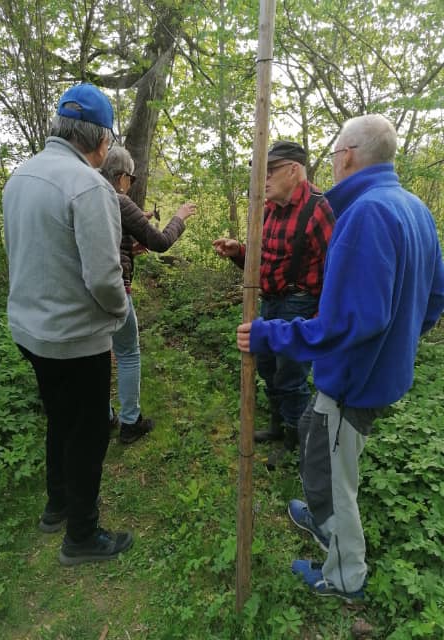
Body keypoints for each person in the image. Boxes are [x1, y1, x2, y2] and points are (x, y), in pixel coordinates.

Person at [237, 114, 444, 600]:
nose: (332, 161)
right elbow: (435, 296)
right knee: (316, 434)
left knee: (339, 473)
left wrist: (271, 334)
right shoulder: (412, 206)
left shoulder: (365, 215)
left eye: (333, 153)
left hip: (355, 376)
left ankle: (347, 573)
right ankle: (319, 514)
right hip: (373, 371)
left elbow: (349, 324)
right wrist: (404, 338)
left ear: (348, 155)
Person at [3, 83, 133, 566]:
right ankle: (82, 534)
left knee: (59, 418)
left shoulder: (21, 175)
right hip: (75, 339)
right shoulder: (89, 186)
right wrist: (118, 313)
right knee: (89, 430)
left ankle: (56, 504)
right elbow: (103, 276)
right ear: (100, 140)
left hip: (30, 331)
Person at [213, 141, 334, 465]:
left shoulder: (319, 208)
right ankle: (278, 426)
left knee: (290, 375)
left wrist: (321, 322)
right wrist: (239, 252)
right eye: (259, 171)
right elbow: (263, 264)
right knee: (266, 365)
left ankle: (296, 439)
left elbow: (333, 270)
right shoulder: (268, 210)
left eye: (269, 171)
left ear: (293, 170)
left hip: (300, 304)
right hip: (271, 301)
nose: (261, 179)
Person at [100, 146, 196, 444]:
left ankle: (104, 418)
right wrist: (179, 217)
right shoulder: (118, 200)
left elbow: (107, 243)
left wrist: (130, 246)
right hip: (116, 291)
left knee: (100, 355)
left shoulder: (90, 197)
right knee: (128, 353)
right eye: (131, 178)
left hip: (89, 294)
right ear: (122, 177)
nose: (131, 184)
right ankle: (130, 423)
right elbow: (161, 241)